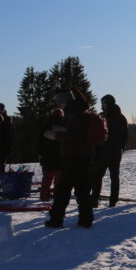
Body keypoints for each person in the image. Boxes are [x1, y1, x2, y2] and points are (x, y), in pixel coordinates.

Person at [45, 89, 96, 229]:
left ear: (64, 101)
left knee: (62, 190)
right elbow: (76, 133)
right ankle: (86, 219)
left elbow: (75, 136)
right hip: (84, 157)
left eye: (58, 102)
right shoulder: (80, 112)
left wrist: (55, 136)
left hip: (73, 157)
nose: (57, 105)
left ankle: (56, 220)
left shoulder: (74, 114)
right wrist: (61, 130)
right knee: (83, 190)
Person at [91, 94, 128, 207]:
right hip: (116, 151)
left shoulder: (102, 116)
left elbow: (96, 134)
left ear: (107, 103)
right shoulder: (121, 117)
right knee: (114, 177)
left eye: (103, 103)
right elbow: (125, 136)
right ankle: (113, 201)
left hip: (103, 151)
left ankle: (94, 200)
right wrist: (121, 148)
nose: (102, 105)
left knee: (97, 176)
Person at [38, 108, 64, 201]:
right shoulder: (63, 125)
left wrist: (40, 153)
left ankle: (44, 195)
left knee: (47, 176)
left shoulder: (46, 125)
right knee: (58, 177)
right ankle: (57, 195)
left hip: (47, 154)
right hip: (59, 154)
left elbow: (40, 141)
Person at [0, 103, 15, 176]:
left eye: (2, 108)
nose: (0, 110)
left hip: (5, 144)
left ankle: (1, 177)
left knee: (2, 162)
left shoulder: (8, 118)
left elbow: (11, 131)